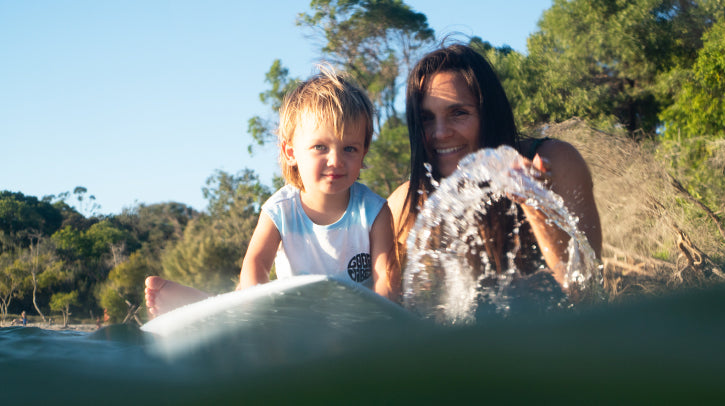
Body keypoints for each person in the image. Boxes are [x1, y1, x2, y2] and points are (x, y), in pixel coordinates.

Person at [145, 68, 399, 317]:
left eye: (350, 149)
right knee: (248, 298)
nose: (336, 160)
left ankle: (216, 308)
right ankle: (207, 307)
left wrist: (378, 324)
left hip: (356, 320)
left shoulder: (374, 211)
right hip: (294, 319)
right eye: (320, 147)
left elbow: (384, 279)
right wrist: (261, 316)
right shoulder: (281, 209)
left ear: (364, 153)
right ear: (291, 153)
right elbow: (255, 265)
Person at [387, 43, 602, 287]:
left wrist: (534, 203)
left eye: (458, 113)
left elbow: (587, 291)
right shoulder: (407, 204)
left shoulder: (554, 161)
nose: (440, 133)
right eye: (426, 118)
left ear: (488, 114)